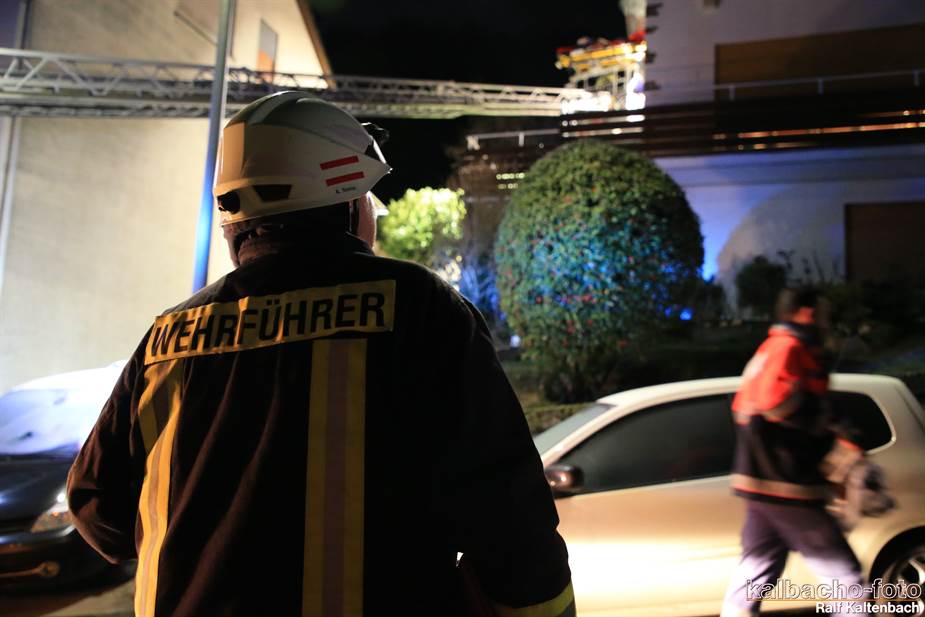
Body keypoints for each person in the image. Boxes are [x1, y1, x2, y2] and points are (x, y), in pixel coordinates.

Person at [67, 91, 575, 617]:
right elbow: (506, 515)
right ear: (349, 206)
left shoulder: (168, 338)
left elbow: (96, 506)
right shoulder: (416, 307)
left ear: (234, 224)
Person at [720, 286, 866, 617]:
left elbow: (744, 408)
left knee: (755, 570)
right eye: (822, 312)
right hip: (788, 484)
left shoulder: (770, 348)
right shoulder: (790, 348)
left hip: (760, 482)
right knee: (845, 577)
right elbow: (774, 403)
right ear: (806, 312)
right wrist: (825, 426)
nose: (825, 320)